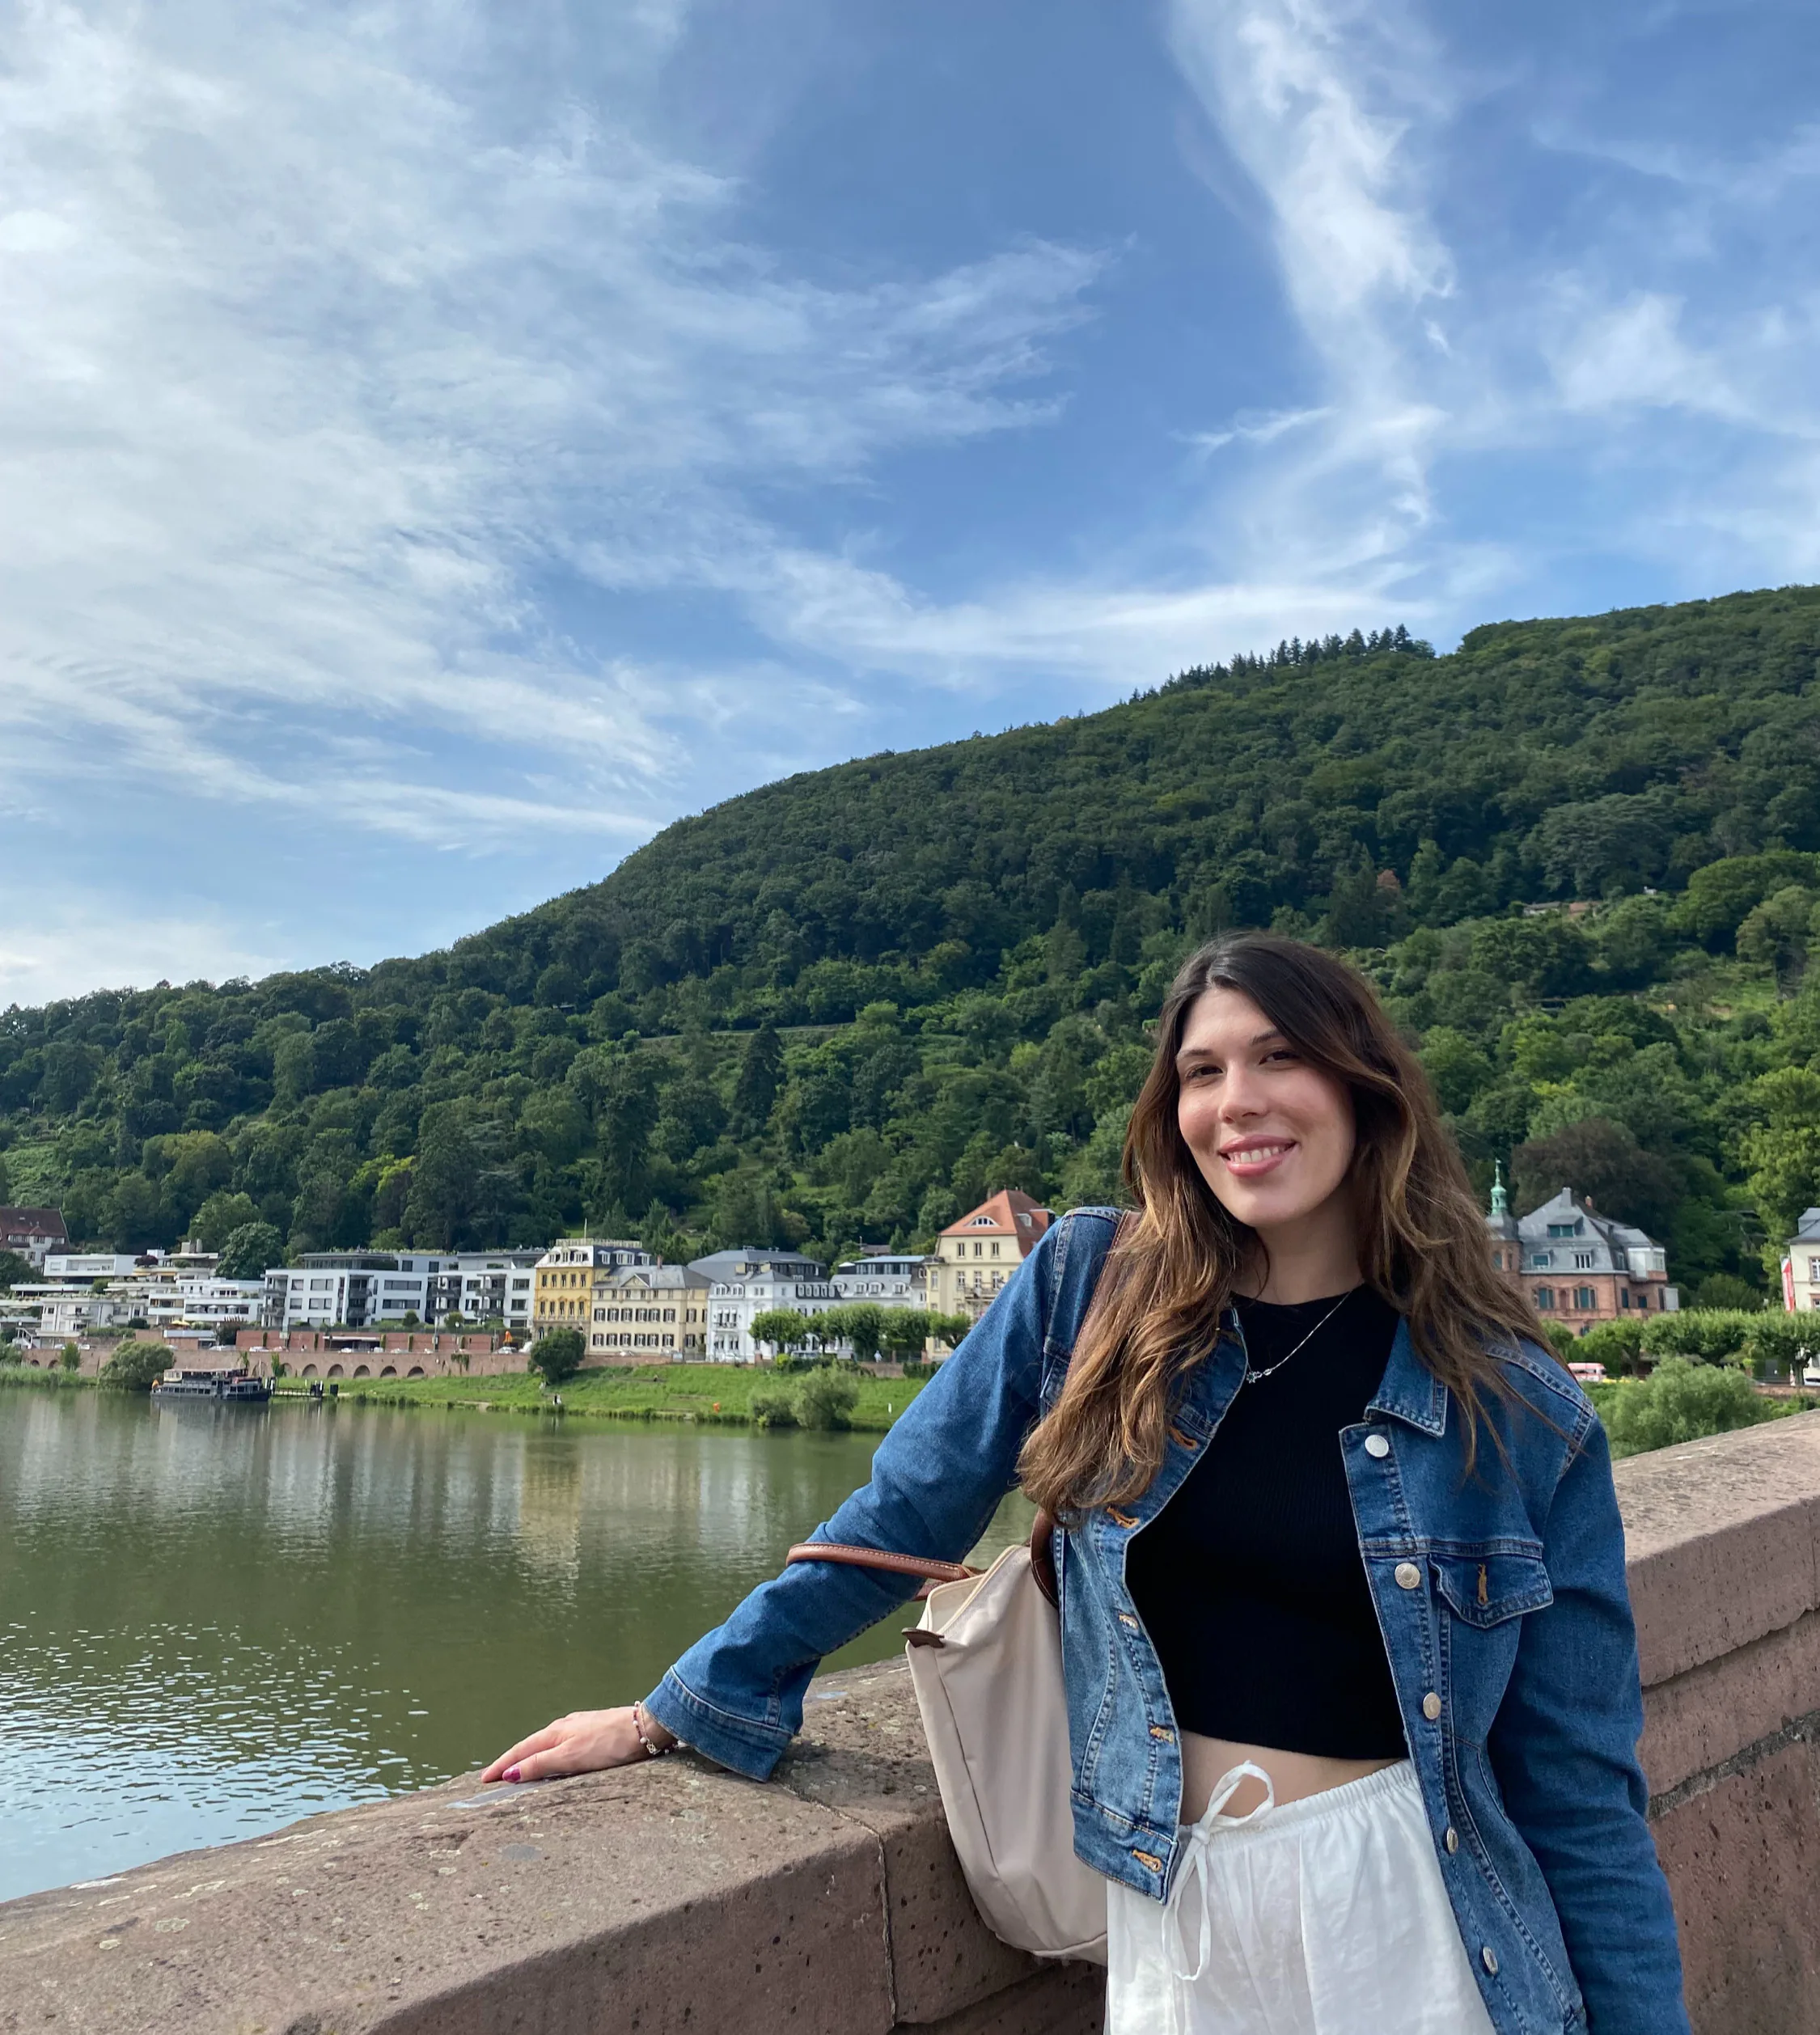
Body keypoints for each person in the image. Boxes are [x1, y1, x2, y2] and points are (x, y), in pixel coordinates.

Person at [483, 933, 1689, 2035]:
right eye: (1200, 1072)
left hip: (1411, 1922)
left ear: (1363, 1091)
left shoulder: (1513, 1403)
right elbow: (903, 1512)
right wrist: (677, 1709)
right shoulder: (1088, 1285)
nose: (1237, 1103)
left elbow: (1577, 1794)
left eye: (1280, 1058)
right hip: (1173, 1908)